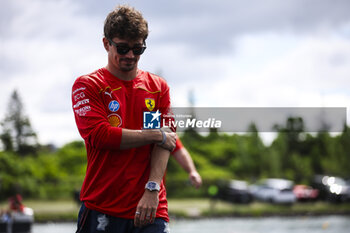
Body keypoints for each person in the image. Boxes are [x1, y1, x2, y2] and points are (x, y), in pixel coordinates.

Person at [72, 5, 176, 233]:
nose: (130, 55)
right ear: (106, 43)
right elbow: (101, 135)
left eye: (138, 49)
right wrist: (156, 134)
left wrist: (152, 189)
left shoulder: (156, 88)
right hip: (103, 207)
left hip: (151, 207)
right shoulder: (88, 85)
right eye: (123, 48)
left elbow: (164, 144)